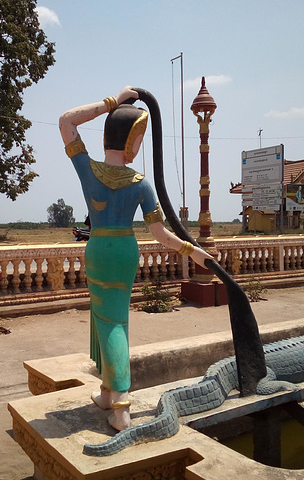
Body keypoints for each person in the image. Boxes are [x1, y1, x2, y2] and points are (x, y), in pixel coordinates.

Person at [59, 86, 213, 431]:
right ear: (131, 140)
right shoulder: (141, 184)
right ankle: (108, 393)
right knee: (114, 320)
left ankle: (121, 406)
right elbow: (162, 236)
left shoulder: (90, 171)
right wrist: (195, 253)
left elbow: (67, 121)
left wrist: (111, 101)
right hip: (126, 252)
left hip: (99, 249)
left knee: (109, 321)